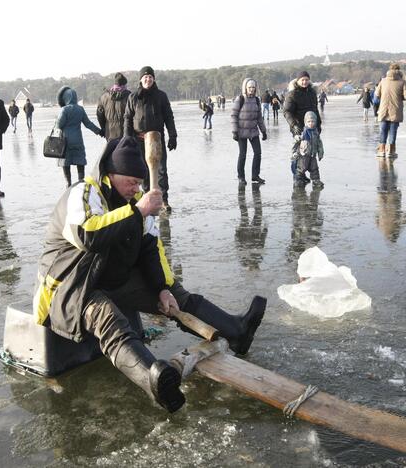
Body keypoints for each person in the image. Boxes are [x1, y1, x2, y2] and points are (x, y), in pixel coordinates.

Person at [32, 136, 267, 413]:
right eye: (131, 182)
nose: (136, 189)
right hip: (69, 286)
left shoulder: (135, 204)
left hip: (110, 278)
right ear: (112, 174)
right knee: (108, 318)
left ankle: (237, 331)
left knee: (175, 296)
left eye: (139, 183)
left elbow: (150, 248)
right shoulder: (85, 192)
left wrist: (161, 288)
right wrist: (138, 211)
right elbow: (89, 234)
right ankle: (154, 382)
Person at [123, 66, 177, 212]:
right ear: (141, 80)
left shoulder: (161, 96)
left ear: (154, 79)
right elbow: (128, 119)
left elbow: (169, 117)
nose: (148, 79)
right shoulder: (133, 97)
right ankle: (147, 197)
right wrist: (127, 139)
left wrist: (173, 136)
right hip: (139, 140)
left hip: (157, 139)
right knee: (144, 171)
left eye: (150, 77)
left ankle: (163, 200)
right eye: (145, 77)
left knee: (161, 171)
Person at [56, 86, 103, 187]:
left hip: (65, 140)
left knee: (65, 161)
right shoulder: (80, 109)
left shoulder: (64, 110)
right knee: (80, 159)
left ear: (65, 98)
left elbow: (59, 125)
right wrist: (99, 132)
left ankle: (68, 183)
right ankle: (81, 181)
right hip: (77, 139)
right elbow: (88, 124)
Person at [284, 71, 322, 178]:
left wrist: (319, 125)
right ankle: (297, 175)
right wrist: (293, 125)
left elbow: (315, 110)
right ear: (298, 81)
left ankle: (308, 174)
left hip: (312, 127)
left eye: (306, 79)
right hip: (299, 127)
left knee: (310, 152)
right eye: (302, 80)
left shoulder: (312, 93)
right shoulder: (292, 94)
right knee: (299, 152)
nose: (304, 82)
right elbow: (287, 111)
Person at [231, 78, 267, 185]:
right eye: (249, 87)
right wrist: (234, 131)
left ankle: (255, 175)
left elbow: (259, 117)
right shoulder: (240, 99)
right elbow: (234, 115)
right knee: (243, 154)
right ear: (245, 88)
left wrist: (263, 131)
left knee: (258, 153)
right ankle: (241, 177)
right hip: (241, 132)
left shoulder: (257, 100)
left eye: (253, 87)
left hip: (253, 132)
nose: (251, 89)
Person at [375, 64, 406, 158]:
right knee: (393, 131)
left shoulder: (383, 81)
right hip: (396, 110)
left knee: (383, 130)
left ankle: (382, 150)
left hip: (383, 109)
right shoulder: (402, 82)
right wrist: (400, 97)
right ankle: (391, 150)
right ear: (399, 70)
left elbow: (376, 94)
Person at [293, 111, 324, 187]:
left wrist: (320, 153)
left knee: (314, 168)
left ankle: (316, 180)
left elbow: (319, 144)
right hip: (304, 155)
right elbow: (295, 143)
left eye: (313, 121)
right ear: (305, 122)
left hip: (313, 154)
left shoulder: (316, 132)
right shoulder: (303, 133)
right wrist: (294, 152)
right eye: (309, 121)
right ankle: (298, 180)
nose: (311, 123)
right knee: (301, 168)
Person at [97, 72, 130, 141]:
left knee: (111, 151)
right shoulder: (129, 96)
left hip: (109, 134)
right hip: (125, 134)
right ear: (125, 84)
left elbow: (100, 116)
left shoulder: (103, 97)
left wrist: (104, 128)